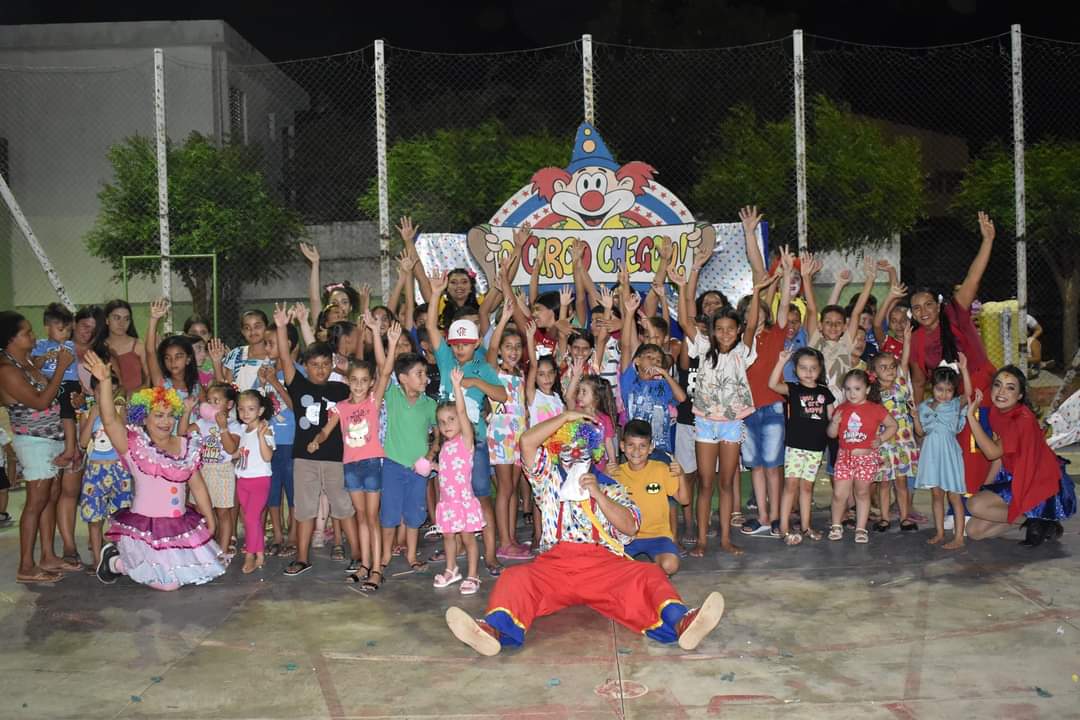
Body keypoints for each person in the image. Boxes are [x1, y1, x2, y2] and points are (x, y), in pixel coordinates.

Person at [444, 410, 725, 656]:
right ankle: (493, 631)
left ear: (594, 453)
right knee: (514, 577)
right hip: (555, 565)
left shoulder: (612, 486)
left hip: (603, 566)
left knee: (649, 574)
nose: (574, 452)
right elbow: (526, 442)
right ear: (557, 448)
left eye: (582, 447)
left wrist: (598, 495)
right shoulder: (548, 478)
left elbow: (630, 526)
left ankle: (682, 622)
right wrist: (565, 417)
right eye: (567, 445)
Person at [83, 351, 226, 590]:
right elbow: (109, 420)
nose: (166, 421)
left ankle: (132, 563)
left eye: (171, 415)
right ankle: (116, 562)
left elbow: (197, 484)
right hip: (145, 530)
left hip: (178, 525)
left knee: (190, 575)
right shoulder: (134, 445)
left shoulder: (184, 443)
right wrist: (106, 383)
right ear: (144, 416)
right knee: (168, 584)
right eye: (158, 415)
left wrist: (209, 518)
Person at [671, 265, 768, 557]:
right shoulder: (702, 348)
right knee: (706, 482)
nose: (725, 333)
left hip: (730, 425)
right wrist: (684, 286)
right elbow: (686, 321)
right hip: (705, 425)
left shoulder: (743, 352)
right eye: (720, 329)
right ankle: (701, 540)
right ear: (712, 331)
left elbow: (752, 324)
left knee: (726, 483)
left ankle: (725, 538)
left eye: (730, 328)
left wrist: (759, 290)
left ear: (738, 331)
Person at [908, 212, 997, 495]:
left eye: (928, 305)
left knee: (978, 442)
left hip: (981, 388)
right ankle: (958, 504)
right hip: (949, 401)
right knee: (952, 446)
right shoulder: (917, 339)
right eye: (917, 308)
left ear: (938, 304)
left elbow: (973, 277)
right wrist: (918, 419)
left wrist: (987, 241)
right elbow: (920, 382)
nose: (923, 312)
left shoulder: (955, 313)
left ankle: (983, 499)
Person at [427, 271, 509, 575]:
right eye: (456, 344)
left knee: (481, 497)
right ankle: (456, 546)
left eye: (465, 344)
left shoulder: (482, 366)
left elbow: (502, 394)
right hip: (446, 443)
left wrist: (475, 381)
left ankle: (489, 554)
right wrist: (436, 294)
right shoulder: (446, 359)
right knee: (449, 496)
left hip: (472, 443)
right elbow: (432, 333)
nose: (460, 349)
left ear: (475, 344)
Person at [308, 316, 397, 586]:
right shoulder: (341, 407)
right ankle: (365, 565)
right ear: (347, 381)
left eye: (363, 380)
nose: (358, 384)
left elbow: (385, 371)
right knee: (360, 517)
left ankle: (377, 570)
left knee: (372, 517)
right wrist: (317, 440)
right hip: (352, 467)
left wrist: (389, 343)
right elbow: (327, 428)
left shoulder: (373, 401)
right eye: (354, 380)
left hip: (371, 464)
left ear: (370, 383)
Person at [273, 304, 358, 577]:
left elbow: (363, 379)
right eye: (314, 365)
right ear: (305, 366)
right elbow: (286, 359)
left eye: (325, 365)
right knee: (305, 509)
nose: (320, 370)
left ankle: (357, 555)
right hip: (304, 457)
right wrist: (284, 326)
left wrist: (343, 370)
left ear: (331, 365)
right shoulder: (298, 384)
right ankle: (302, 557)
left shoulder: (340, 388)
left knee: (343, 506)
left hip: (335, 457)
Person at [0, 311, 76, 583]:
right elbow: (41, 401)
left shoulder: (28, 362)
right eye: (27, 333)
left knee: (50, 497)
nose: (33, 336)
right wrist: (60, 368)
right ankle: (26, 565)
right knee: (35, 502)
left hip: (51, 438)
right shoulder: (6, 370)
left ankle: (47, 555)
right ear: (11, 339)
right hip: (33, 442)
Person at [965, 366, 1077, 544]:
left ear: (1019, 396)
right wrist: (986, 487)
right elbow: (998, 457)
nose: (1001, 392)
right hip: (1017, 476)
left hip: (1038, 481)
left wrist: (971, 417)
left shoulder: (1021, 419)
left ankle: (1037, 518)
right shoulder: (997, 412)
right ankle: (1036, 521)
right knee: (974, 531)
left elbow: (991, 451)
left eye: (1010, 388)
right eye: (997, 385)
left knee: (975, 505)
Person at [738, 233, 795, 538]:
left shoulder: (775, 334)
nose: (753, 315)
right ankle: (761, 516)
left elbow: (783, 303)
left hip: (772, 406)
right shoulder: (738, 342)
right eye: (747, 311)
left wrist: (785, 275)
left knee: (773, 466)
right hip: (747, 409)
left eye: (757, 310)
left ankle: (776, 517)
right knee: (756, 466)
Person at [379, 351, 437, 581]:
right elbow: (384, 372)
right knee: (389, 514)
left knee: (414, 514)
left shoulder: (429, 404)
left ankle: (412, 555)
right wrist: (390, 345)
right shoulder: (391, 396)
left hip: (418, 470)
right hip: (393, 466)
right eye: (419, 374)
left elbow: (438, 432)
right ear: (402, 378)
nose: (425, 378)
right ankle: (384, 556)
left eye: (424, 373)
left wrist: (432, 452)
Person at [768, 347, 835, 545]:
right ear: (796, 369)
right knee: (791, 486)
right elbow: (772, 384)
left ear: (820, 368)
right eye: (803, 367)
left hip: (816, 447)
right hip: (795, 446)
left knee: (807, 488)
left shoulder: (825, 392)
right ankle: (784, 528)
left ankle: (806, 526)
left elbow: (832, 418)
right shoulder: (793, 388)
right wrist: (781, 361)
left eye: (813, 368)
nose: (808, 372)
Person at [827, 369, 898, 544]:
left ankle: (861, 528)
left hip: (866, 459)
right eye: (848, 389)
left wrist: (880, 438)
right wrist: (834, 423)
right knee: (838, 494)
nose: (852, 393)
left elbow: (893, 425)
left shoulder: (875, 409)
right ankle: (836, 525)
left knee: (862, 492)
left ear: (866, 389)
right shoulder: (841, 408)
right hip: (844, 457)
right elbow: (831, 434)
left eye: (857, 388)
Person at [611, 419, 690, 575]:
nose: (636, 451)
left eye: (642, 446)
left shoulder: (661, 469)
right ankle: (644, 573)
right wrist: (605, 478)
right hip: (627, 537)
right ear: (622, 446)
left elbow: (684, 500)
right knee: (612, 570)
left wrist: (681, 474)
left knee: (670, 565)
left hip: (658, 535)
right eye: (630, 445)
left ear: (650, 448)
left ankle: (645, 572)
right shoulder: (616, 474)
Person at [432, 368, 486, 594]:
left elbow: (463, 413)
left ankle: (473, 575)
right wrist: (435, 467)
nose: (447, 425)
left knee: (468, 538)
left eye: (451, 420)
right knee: (448, 537)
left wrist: (456, 387)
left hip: (463, 502)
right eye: (442, 422)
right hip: (448, 502)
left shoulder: (466, 442)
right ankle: (451, 569)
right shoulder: (445, 446)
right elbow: (448, 471)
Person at [485, 311, 530, 561]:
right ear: (501, 349)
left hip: (518, 436)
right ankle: (503, 542)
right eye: (508, 347)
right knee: (504, 489)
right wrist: (502, 321)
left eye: (517, 347)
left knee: (512, 488)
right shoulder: (494, 372)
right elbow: (491, 346)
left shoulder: (520, 375)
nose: (513, 351)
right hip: (501, 437)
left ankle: (511, 538)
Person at [619, 292, 686, 457]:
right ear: (637, 361)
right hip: (635, 447)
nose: (654, 361)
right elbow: (627, 346)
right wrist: (629, 314)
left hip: (660, 447)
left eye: (657, 360)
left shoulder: (663, 384)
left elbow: (682, 398)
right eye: (649, 357)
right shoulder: (630, 382)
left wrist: (666, 375)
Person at [913, 361, 972, 549]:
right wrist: (915, 417)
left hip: (949, 454)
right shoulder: (924, 407)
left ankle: (959, 537)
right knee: (936, 495)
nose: (944, 394)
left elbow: (968, 394)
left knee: (954, 496)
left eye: (949, 390)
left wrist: (964, 369)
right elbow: (921, 433)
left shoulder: (955, 404)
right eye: (939, 389)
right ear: (933, 387)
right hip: (931, 454)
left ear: (954, 391)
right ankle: (939, 532)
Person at [78, 373, 134, 568]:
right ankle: (96, 560)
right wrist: (92, 416)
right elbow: (83, 442)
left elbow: (126, 436)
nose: (106, 397)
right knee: (94, 517)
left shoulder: (120, 410)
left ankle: (119, 558)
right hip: (95, 471)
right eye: (102, 392)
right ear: (93, 392)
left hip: (119, 469)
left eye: (111, 392)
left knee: (120, 515)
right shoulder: (87, 413)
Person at [180, 382, 241, 556]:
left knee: (223, 512)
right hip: (203, 471)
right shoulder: (202, 422)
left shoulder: (234, 425)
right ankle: (204, 550)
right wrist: (186, 412)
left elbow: (230, 449)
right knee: (201, 511)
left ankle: (222, 552)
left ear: (229, 405)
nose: (210, 404)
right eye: (208, 400)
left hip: (222, 472)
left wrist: (223, 427)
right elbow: (182, 434)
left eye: (216, 401)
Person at [869, 325, 919, 532]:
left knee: (901, 482)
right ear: (874, 372)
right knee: (884, 483)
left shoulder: (900, 383)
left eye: (891, 366)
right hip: (885, 444)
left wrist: (907, 340)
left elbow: (905, 362)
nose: (889, 370)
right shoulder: (873, 393)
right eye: (883, 367)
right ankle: (884, 518)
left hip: (904, 443)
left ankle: (905, 517)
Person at [31, 302, 80, 467]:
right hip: (49, 385)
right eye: (61, 330)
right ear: (47, 327)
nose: (65, 334)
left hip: (68, 383)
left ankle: (70, 448)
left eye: (68, 330)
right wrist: (45, 357)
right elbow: (34, 366)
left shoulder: (70, 345)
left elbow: (74, 364)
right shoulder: (41, 345)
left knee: (67, 411)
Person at [234, 390, 276, 574]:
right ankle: (260, 555)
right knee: (252, 521)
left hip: (259, 481)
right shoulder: (243, 430)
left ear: (260, 411)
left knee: (251, 518)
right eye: (241, 409)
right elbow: (239, 453)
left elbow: (267, 457)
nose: (245, 413)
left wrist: (261, 437)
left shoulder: (265, 430)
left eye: (251, 409)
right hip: (243, 481)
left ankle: (249, 555)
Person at [564, 366, 618, 472]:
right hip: (576, 463)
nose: (579, 395)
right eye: (579, 391)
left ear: (596, 397)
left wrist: (613, 462)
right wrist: (575, 377)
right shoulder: (576, 412)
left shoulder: (605, 419)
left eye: (584, 392)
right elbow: (569, 397)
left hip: (598, 466)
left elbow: (608, 442)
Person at [145, 300, 201, 401]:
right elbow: (150, 352)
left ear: (188, 359)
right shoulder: (161, 383)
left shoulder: (196, 385)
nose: (172, 361)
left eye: (178, 356)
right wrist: (154, 319)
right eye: (167, 358)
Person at [94, 299, 147, 394]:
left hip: (137, 401)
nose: (121, 323)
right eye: (116, 318)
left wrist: (132, 394)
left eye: (126, 319)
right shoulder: (98, 346)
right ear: (106, 320)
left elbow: (149, 379)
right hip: (106, 401)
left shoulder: (139, 346)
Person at [221, 310, 275, 391]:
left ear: (266, 328)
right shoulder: (235, 354)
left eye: (257, 326)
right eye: (247, 328)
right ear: (242, 332)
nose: (252, 332)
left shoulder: (274, 356)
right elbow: (228, 388)